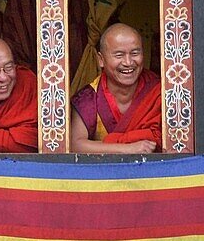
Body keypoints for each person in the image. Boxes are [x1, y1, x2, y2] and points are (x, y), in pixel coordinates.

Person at [1, 0, 124, 93]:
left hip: (82, 85)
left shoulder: (85, 1)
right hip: (30, 91)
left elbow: (109, 49)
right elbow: (11, 51)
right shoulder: (19, 0)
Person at [69, 24, 161, 154]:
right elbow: (74, 145)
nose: (128, 62)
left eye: (135, 53)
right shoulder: (88, 99)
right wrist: (128, 149)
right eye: (119, 55)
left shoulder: (159, 90)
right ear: (101, 60)